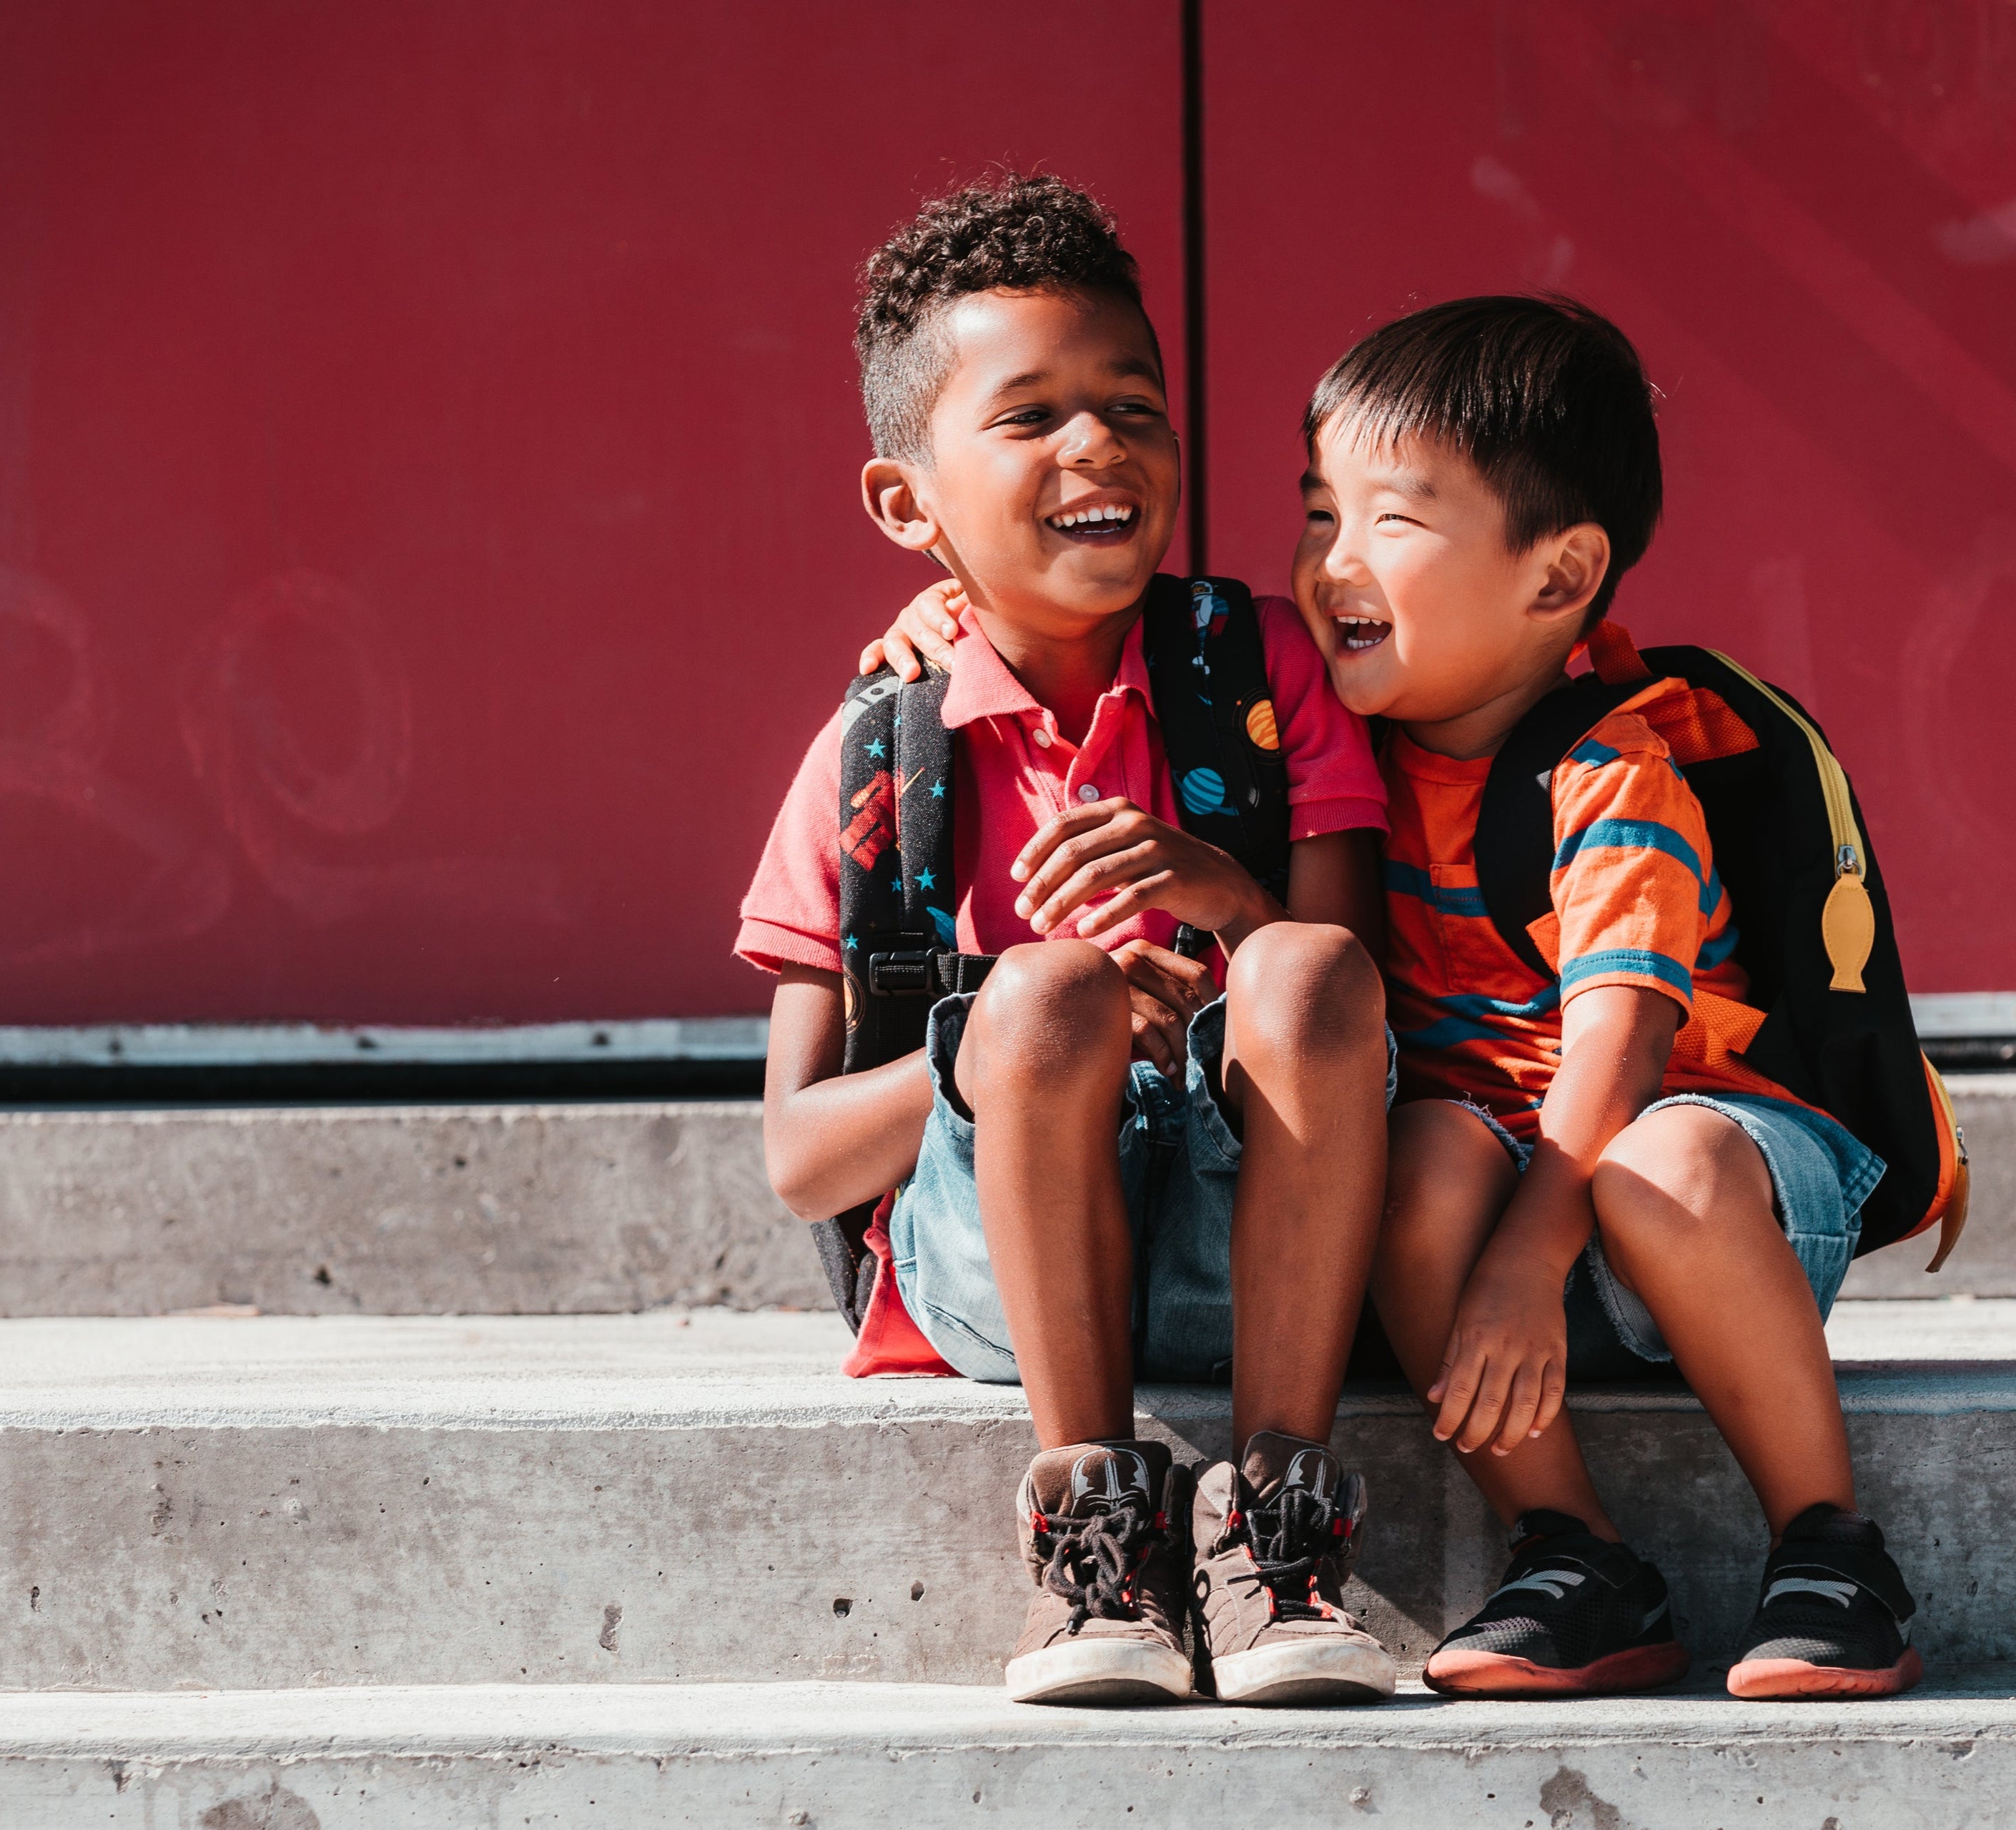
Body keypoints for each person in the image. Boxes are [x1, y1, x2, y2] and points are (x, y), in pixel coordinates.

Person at [736, 174, 1398, 1707]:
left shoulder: (1261, 671)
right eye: (1030, 416)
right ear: (907, 505)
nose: (1098, 445)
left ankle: (1280, 1526)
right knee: (1041, 996)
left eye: (1133, 405)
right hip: (997, 1270)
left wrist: (1226, 909)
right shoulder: (878, 756)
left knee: (1302, 964)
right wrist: (1017, 1040)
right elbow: (801, 1157)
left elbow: (1365, 1011)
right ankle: (1096, 1537)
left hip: (1261, 1245)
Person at [1295, 295, 1920, 1700]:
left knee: (1661, 1158)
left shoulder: (1608, 771)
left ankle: (1832, 1548)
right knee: (1418, 1152)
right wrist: (949, 607)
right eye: (1317, 511)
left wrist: (1527, 1259)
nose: (1333, 561)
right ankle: (1576, 1555)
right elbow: (1151, 645)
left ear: (1559, 574)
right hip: (1503, 1224)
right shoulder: (1333, 752)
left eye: (1388, 520)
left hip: (1710, 1199)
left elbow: (1624, 1038)